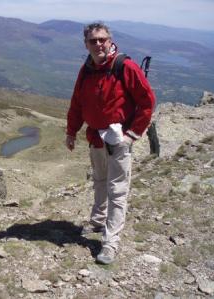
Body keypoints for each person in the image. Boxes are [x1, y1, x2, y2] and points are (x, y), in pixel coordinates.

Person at [66, 23, 155, 264]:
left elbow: (148, 102)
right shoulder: (86, 70)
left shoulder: (124, 67)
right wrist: (71, 131)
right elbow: (77, 102)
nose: (98, 44)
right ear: (86, 44)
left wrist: (132, 135)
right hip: (96, 138)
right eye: (93, 41)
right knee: (99, 182)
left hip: (120, 140)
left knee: (117, 191)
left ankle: (110, 243)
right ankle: (97, 221)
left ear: (110, 40)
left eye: (102, 39)